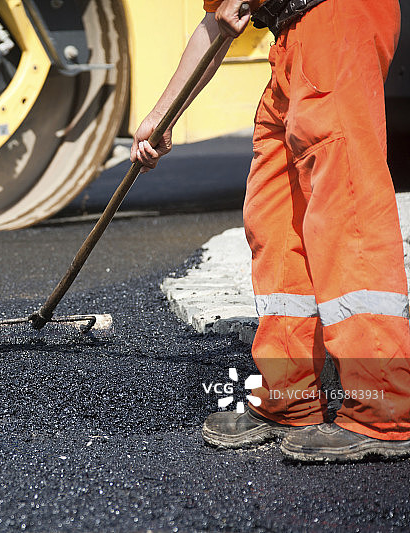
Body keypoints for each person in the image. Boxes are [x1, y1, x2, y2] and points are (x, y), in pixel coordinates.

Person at [132, 0, 410, 462]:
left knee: (347, 209)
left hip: (335, 17)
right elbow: (216, 23)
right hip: (292, 34)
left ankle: (383, 407)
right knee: (276, 213)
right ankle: (290, 393)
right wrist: (163, 117)